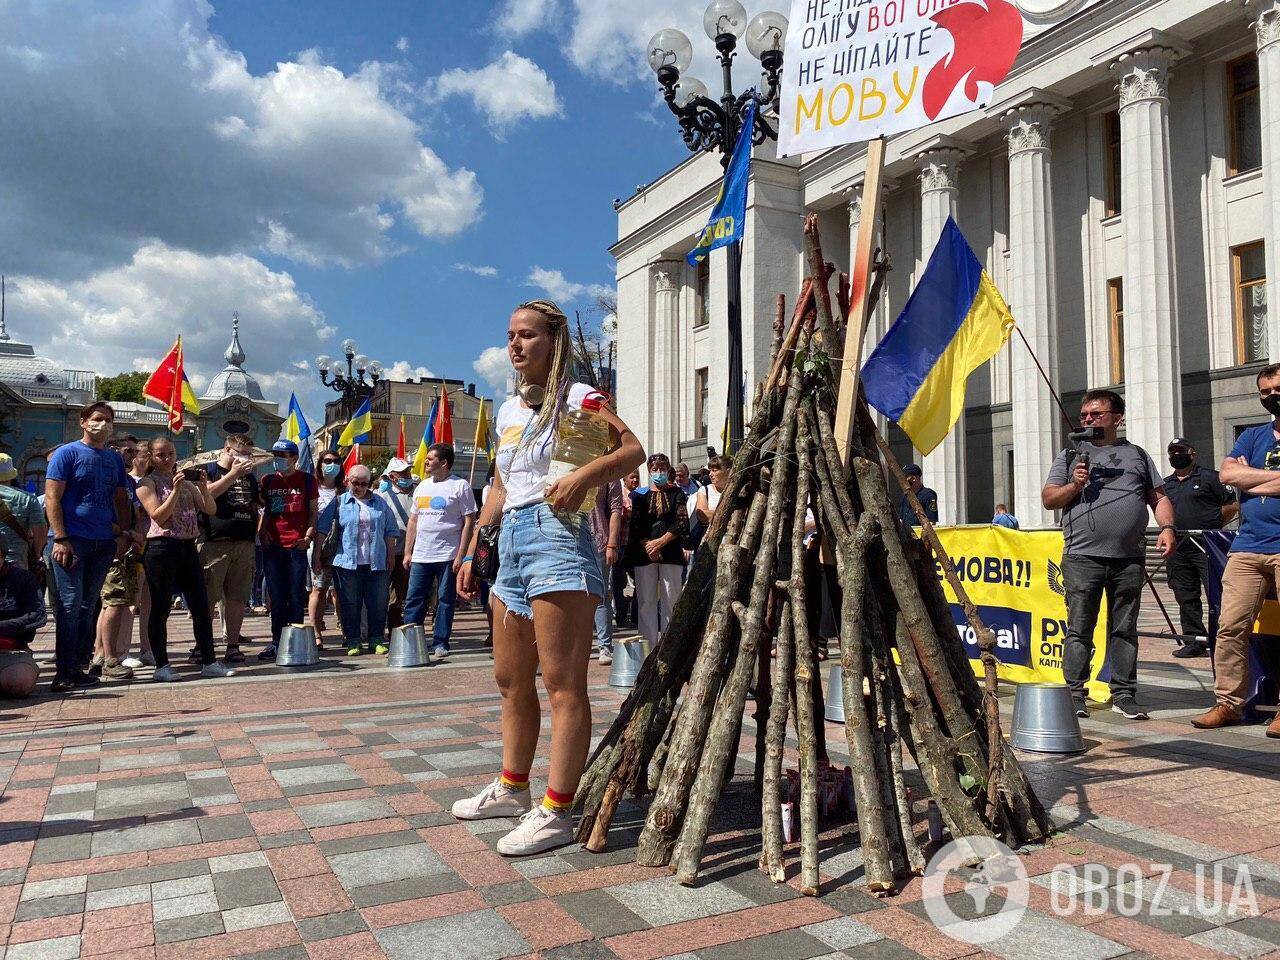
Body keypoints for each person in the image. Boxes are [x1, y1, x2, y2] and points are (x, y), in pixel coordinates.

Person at [453, 298, 644, 856]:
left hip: (560, 537)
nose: (515, 345)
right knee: (510, 678)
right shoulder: (511, 410)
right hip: (510, 539)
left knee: (564, 684)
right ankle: (514, 786)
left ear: (554, 342)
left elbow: (631, 449)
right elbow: (499, 487)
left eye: (528, 335)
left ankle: (559, 808)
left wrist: (584, 475)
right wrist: (472, 550)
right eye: (511, 335)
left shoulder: (579, 399)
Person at [1042, 389, 1176, 721]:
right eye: (1084, 414)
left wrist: (1168, 527)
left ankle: (1124, 693)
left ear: (1117, 418)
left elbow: (1158, 498)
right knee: (1079, 628)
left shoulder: (1138, 455)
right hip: (1082, 558)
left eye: (1096, 414)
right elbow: (1049, 499)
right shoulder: (1071, 455)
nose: (1088, 419)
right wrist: (1074, 485)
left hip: (1128, 558)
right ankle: (1075, 694)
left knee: (1125, 627)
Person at [1193, 365, 1280, 733]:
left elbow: (1241, 478)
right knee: (1230, 627)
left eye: (1277, 387)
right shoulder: (1253, 435)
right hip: (1247, 547)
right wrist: (1270, 482)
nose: (1272, 395)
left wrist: (1251, 481)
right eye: (1265, 391)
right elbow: (1228, 476)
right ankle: (1229, 703)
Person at [45, 401, 132, 692]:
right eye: (97, 418)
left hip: (103, 543)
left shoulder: (114, 460)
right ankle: (63, 671)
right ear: (84, 422)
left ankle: (78, 667)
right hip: (72, 542)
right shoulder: (67, 453)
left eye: (108, 420)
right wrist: (60, 537)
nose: (103, 424)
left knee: (87, 606)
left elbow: (121, 498)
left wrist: (124, 533)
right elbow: (53, 497)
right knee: (69, 605)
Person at [135, 437, 235, 682]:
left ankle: (209, 661)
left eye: (170, 453)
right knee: (160, 608)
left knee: (201, 605)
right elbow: (158, 516)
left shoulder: (185, 481)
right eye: (160, 455)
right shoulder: (147, 483)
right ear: (152, 456)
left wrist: (201, 487)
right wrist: (175, 490)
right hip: (161, 547)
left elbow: (209, 509)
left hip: (187, 546)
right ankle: (161, 664)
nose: (167, 459)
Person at [1161, 438, 1237, 659]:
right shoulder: (1166, 484)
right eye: (1172, 452)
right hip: (1179, 546)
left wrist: (1213, 525)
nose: (1176, 455)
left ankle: (1223, 640)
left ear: (1192, 454)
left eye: (1180, 450)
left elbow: (1232, 504)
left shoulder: (1210, 478)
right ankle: (1194, 639)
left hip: (1206, 545)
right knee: (1185, 595)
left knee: (1217, 593)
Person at [403, 443, 475, 660]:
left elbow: (469, 521)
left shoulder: (460, 486)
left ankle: (440, 642)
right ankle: (411, 642)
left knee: (445, 600)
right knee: (414, 599)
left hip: (447, 555)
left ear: (443, 463)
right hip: (421, 554)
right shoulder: (422, 486)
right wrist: (408, 551)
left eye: (431, 458)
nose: (426, 461)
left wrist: (461, 555)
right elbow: (413, 521)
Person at [318, 464, 397, 656]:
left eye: (364, 483)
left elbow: (390, 530)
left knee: (378, 602)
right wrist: (316, 555)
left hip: (376, 561)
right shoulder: (339, 502)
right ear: (347, 481)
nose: (360, 487)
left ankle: (376, 639)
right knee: (349, 602)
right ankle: (352, 640)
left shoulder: (380, 503)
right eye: (355, 483)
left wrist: (390, 554)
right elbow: (322, 528)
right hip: (346, 562)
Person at [198, 434, 261, 664]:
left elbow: (254, 506)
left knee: (237, 597)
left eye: (248, 455)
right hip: (215, 541)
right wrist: (232, 474)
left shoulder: (250, 478)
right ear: (227, 450)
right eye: (241, 453)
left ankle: (232, 644)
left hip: (243, 542)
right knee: (208, 597)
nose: (246, 458)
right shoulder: (210, 470)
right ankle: (202, 645)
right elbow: (207, 494)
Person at [258, 440, 318, 661]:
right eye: (275, 454)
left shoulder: (307, 480)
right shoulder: (268, 480)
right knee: (276, 595)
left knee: (295, 595)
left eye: (283, 455)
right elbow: (264, 509)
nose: (278, 459)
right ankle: (276, 640)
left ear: (294, 458)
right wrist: (261, 531)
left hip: (296, 546)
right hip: (272, 546)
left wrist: (308, 536)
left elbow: (313, 512)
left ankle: (295, 638)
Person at [92, 437, 145, 681]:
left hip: (127, 548)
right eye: (128, 451)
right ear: (113, 451)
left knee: (118, 603)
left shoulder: (126, 482)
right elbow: (99, 512)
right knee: (113, 602)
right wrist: (123, 532)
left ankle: (102, 655)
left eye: (135, 452)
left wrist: (132, 533)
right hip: (113, 547)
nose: (132, 456)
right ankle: (108, 659)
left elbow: (131, 513)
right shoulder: (107, 479)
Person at [626, 453, 689, 651]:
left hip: (670, 552)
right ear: (649, 471)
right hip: (645, 554)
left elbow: (681, 523)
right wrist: (649, 546)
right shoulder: (639, 496)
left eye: (662, 469)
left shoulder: (677, 493)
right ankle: (649, 648)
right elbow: (636, 526)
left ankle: (670, 648)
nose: (659, 473)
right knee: (646, 602)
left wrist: (661, 542)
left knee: (671, 599)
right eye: (655, 469)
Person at [120, 442, 155, 668]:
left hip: (152, 543)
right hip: (133, 545)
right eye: (145, 455)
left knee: (150, 601)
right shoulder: (127, 481)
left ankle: (148, 647)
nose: (148, 459)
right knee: (129, 601)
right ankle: (122, 650)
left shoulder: (153, 481)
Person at [0, 551, 47, 698]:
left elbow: (37, 615)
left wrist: (3, 626)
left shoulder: (23, 578)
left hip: (11, 651)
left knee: (20, 682)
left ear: (2, 555)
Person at [309, 451, 345, 648]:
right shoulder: (312, 488)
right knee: (319, 589)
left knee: (340, 591)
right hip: (318, 546)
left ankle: (346, 630)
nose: (332, 464)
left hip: (341, 548)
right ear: (320, 464)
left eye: (336, 461)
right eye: (327, 461)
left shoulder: (345, 490)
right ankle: (316, 632)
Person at [377, 457, 415, 631]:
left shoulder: (418, 492)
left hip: (416, 551)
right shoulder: (382, 497)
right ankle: (391, 627)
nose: (407, 475)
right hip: (391, 552)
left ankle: (405, 625)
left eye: (408, 471)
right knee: (391, 592)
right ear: (392, 477)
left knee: (407, 592)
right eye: (403, 472)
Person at [589, 479, 624, 665]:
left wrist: (612, 543)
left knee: (601, 594)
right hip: (568, 538)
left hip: (598, 539)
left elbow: (616, 509)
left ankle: (604, 646)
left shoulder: (609, 472)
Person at [0, 453, 46, 572]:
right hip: (14, 564)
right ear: (12, 475)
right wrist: (37, 554)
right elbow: (40, 531)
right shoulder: (27, 498)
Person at [615, 469, 641, 628]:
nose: (635, 480)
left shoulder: (640, 495)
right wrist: (629, 513)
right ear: (625, 479)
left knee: (640, 580)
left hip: (636, 545)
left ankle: (636, 616)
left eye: (637, 477)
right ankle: (621, 616)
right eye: (632, 477)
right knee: (619, 583)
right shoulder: (620, 495)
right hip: (621, 544)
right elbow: (617, 515)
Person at [897, 463, 938, 528]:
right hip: (906, 535)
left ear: (913, 478)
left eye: (905, 477)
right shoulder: (905, 496)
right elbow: (901, 519)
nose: (902, 481)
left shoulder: (928, 495)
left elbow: (931, 522)